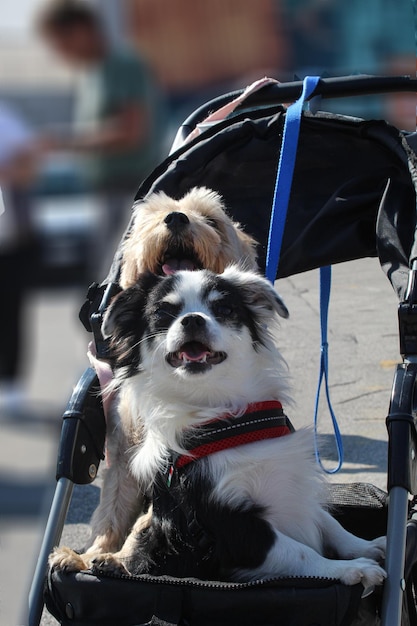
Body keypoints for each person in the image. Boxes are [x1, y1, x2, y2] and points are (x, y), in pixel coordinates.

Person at [37, 0, 162, 275]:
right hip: (106, 193)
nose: (60, 53)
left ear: (80, 31)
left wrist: (64, 142)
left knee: (119, 277)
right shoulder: (93, 73)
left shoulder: (123, 66)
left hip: (131, 192)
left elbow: (131, 133)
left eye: (60, 43)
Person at [0, 102, 38, 415]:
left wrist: (10, 171)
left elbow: (31, 162)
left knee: (10, 313)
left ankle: (10, 386)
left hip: (10, 240)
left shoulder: (5, 118)